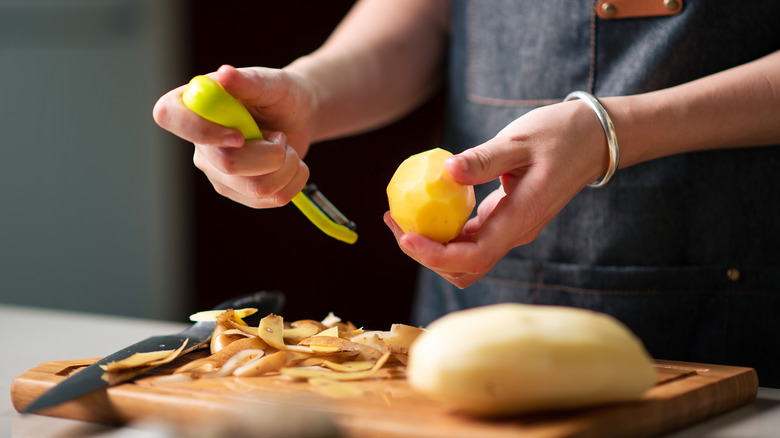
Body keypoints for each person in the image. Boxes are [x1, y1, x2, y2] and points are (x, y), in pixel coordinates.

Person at [154, 0, 780, 387]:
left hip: (734, 317)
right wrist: (308, 93)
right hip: (471, 319)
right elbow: (416, 19)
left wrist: (609, 130)